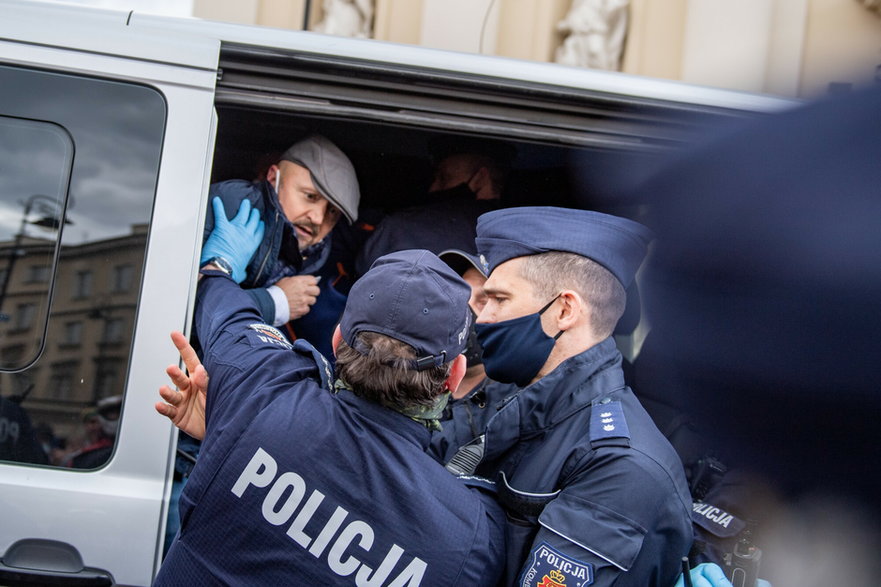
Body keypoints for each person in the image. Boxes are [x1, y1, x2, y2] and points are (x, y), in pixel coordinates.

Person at [153, 200, 505, 585]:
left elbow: (225, 311)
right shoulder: (468, 539)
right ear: (453, 376)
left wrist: (216, 268)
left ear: (338, 340)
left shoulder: (260, 388)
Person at [442, 206, 693, 586]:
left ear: (564, 310)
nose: (482, 318)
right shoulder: (514, 403)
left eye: (499, 299)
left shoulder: (620, 466)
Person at [204, 133, 360, 358]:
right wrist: (273, 302)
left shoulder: (315, 258)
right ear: (272, 177)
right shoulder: (231, 208)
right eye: (310, 196)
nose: (318, 218)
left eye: (332, 212)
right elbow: (184, 311)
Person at [354, 139, 513, 276]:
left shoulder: (403, 226)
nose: (433, 188)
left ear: (480, 179)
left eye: (444, 178)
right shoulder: (518, 240)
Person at [431, 248, 518, 462]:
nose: (464, 312)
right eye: (457, 297)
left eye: (484, 300)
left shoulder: (518, 407)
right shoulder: (410, 381)